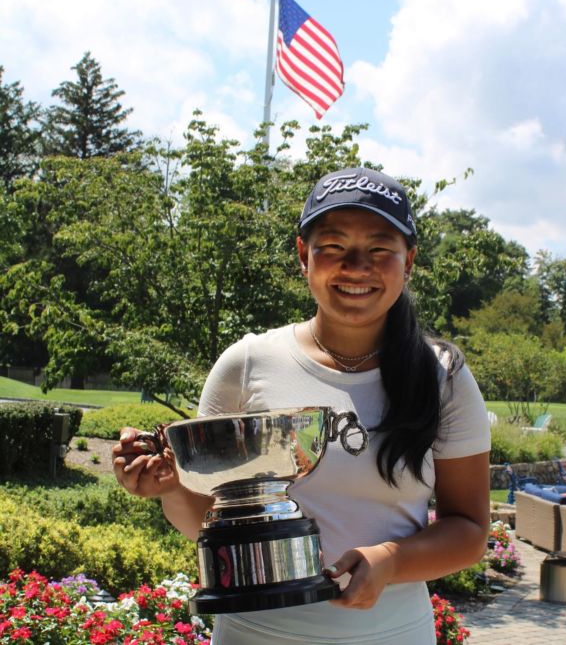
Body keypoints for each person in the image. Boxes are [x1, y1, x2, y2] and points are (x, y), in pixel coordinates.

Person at [113, 166, 491, 645]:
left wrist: (391, 560)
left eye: (379, 249)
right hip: (254, 633)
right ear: (303, 256)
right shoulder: (246, 365)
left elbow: (471, 530)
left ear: (408, 261)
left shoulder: (442, 377)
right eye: (333, 247)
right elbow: (204, 522)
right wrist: (169, 487)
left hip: (392, 634)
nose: (356, 266)